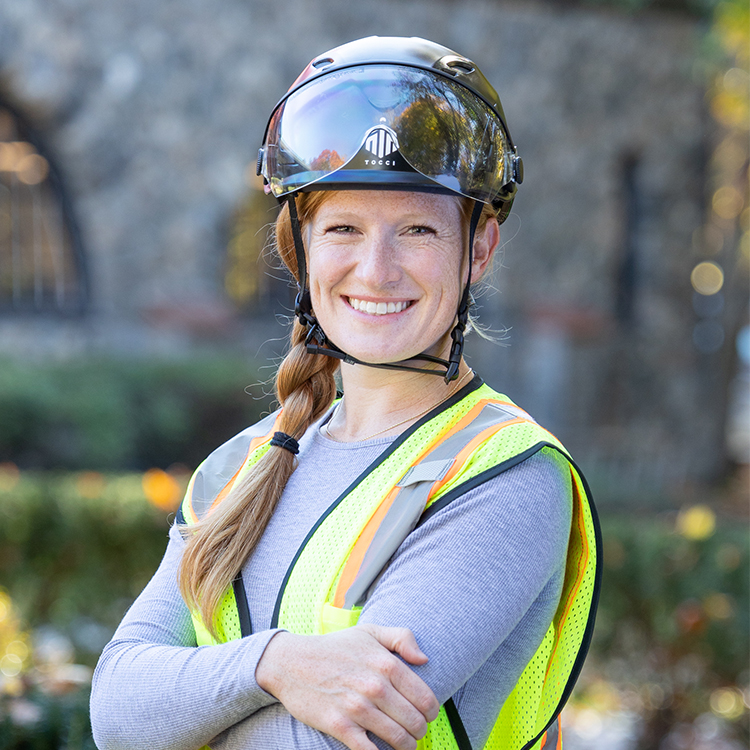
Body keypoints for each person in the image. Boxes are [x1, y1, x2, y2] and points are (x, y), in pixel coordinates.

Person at [90, 36, 600, 750]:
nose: (376, 268)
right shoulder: (237, 469)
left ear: (478, 250)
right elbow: (117, 713)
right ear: (301, 248)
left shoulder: (507, 477)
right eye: (343, 228)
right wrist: (278, 665)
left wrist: (191, 698)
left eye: (418, 229)